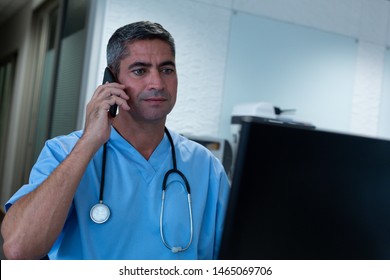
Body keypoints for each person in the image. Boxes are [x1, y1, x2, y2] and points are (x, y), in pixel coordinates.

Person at [1, 21, 230, 260]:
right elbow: (19, 249)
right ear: (111, 79)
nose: (158, 83)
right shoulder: (64, 152)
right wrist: (90, 141)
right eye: (140, 70)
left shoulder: (205, 166)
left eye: (166, 69)